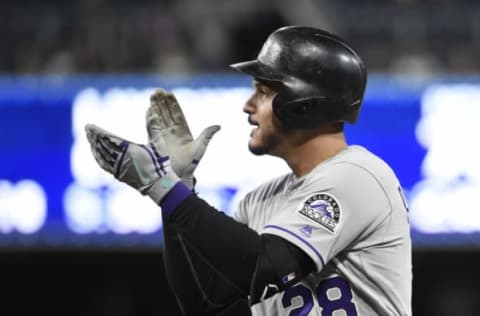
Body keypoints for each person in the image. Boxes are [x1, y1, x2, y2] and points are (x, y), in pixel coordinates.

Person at [85, 26, 412, 315]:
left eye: (265, 92)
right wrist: (177, 188)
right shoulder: (258, 202)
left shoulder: (360, 174)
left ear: (303, 102)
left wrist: (165, 189)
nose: (249, 105)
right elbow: (210, 305)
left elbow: (269, 268)